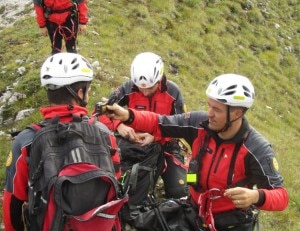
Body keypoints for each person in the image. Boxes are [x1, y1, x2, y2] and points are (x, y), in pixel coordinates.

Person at [105, 73, 289, 230]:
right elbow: (160, 122)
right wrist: (128, 116)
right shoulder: (199, 124)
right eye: (209, 105)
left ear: (237, 113)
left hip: (228, 223)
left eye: (216, 109)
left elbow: (281, 197)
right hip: (193, 209)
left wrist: (256, 196)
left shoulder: (256, 148)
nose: (209, 113)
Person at [2, 53, 119, 230]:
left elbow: (13, 202)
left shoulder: (27, 141)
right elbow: (115, 183)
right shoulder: (104, 134)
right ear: (80, 92)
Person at [98, 52, 188, 207]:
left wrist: (157, 137)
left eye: (150, 87)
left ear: (159, 79)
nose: (145, 92)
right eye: (141, 88)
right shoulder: (127, 88)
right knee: (118, 180)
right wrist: (120, 126)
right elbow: (99, 113)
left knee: (180, 190)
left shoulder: (173, 93)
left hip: (167, 145)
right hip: (134, 143)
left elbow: (182, 127)